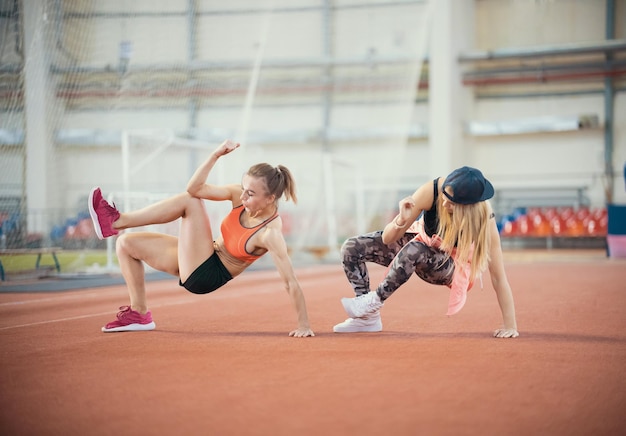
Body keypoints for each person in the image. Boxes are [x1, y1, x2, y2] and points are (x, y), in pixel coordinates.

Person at [88, 139, 314, 337]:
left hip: (207, 275)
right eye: (244, 188)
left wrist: (303, 324)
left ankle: (116, 221)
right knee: (126, 244)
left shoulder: (269, 234)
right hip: (204, 253)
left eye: (251, 194)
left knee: (191, 202)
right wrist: (216, 155)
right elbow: (195, 187)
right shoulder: (239, 195)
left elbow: (290, 282)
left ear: (270, 198)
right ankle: (139, 314)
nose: (242, 196)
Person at [333, 166, 519, 338]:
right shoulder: (431, 191)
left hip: (449, 268)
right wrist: (400, 220)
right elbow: (387, 240)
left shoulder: (485, 221)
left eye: (452, 203)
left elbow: (498, 277)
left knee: (416, 250)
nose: (444, 204)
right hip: (420, 241)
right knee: (351, 247)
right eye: (444, 196)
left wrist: (510, 325)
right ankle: (367, 319)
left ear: (468, 208)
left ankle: (373, 301)